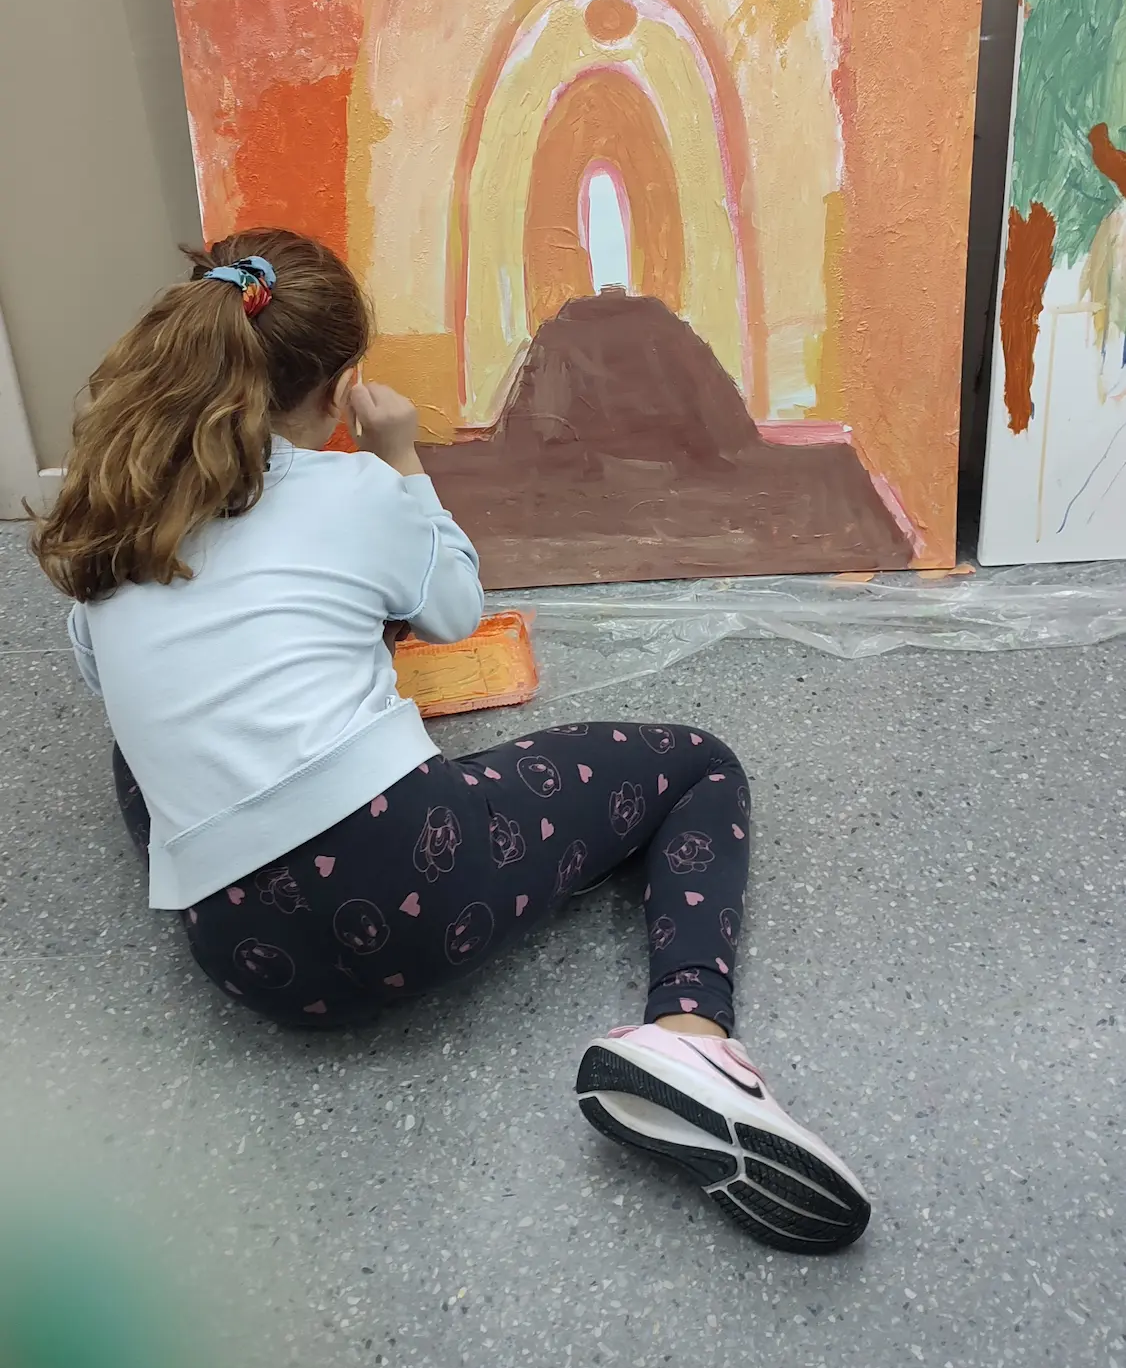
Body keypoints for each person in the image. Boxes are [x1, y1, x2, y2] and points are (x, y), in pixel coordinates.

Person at [32, 229, 871, 1253]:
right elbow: (453, 609)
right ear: (339, 386)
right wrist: (399, 457)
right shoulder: (353, 490)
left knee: (135, 738)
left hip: (250, 966)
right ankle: (691, 1037)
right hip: (417, 893)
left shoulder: (119, 515)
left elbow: (103, 675)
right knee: (700, 766)